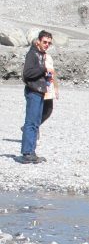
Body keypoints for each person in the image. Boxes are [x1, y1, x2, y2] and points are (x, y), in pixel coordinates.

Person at [19, 30, 52, 164]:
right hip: (33, 91)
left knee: (36, 122)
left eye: (49, 43)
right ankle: (27, 153)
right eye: (45, 42)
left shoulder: (41, 54)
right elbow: (27, 73)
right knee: (31, 122)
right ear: (38, 41)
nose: (47, 45)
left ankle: (31, 152)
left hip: (40, 91)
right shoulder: (32, 54)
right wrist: (43, 69)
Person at [41, 45, 58, 133]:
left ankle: (32, 127)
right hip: (40, 87)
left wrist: (56, 87)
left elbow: (52, 73)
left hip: (49, 88)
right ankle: (31, 128)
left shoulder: (48, 57)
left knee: (48, 110)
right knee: (43, 110)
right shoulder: (36, 57)